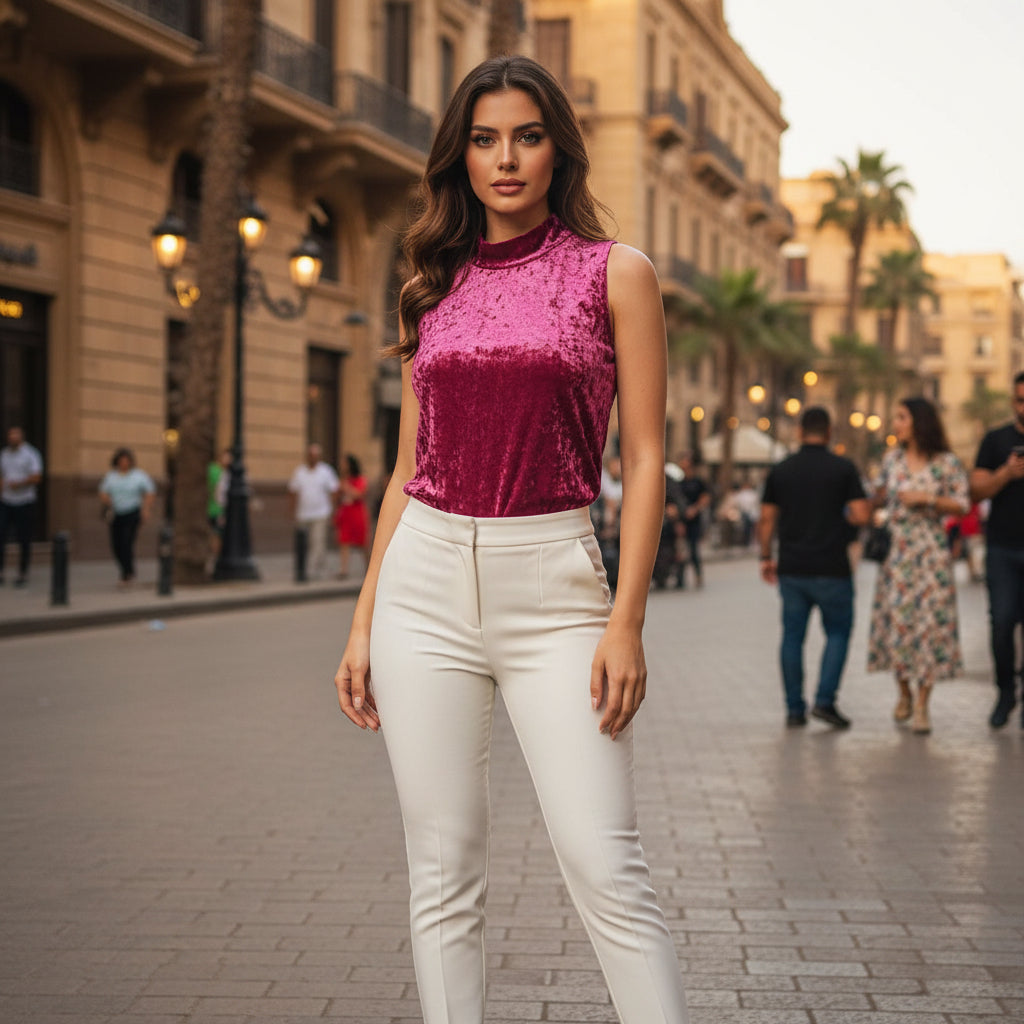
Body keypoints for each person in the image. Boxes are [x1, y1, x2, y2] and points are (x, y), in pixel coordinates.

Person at [332, 55, 689, 1024]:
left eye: (526, 135)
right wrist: (364, 621)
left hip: (555, 583)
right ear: (461, 154)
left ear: (555, 147)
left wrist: (627, 621)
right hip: (424, 583)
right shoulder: (431, 282)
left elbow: (648, 456)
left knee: (603, 859)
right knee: (441, 869)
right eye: (485, 138)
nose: (505, 158)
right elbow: (410, 467)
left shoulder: (614, 272)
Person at [757, 407, 871, 728]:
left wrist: (766, 556)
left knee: (793, 637)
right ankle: (824, 701)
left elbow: (767, 518)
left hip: (793, 568)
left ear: (799, 430)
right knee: (837, 633)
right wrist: (845, 516)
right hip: (833, 567)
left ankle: (794, 709)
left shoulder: (781, 470)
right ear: (830, 431)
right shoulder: (844, 468)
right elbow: (862, 515)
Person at [867, 397, 970, 734]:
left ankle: (924, 704)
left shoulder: (946, 463)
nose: (895, 423)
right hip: (897, 553)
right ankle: (904, 692)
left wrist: (927, 499)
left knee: (929, 628)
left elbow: (962, 504)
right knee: (899, 624)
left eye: (901, 417)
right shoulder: (891, 460)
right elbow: (878, 497)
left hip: (930, 553)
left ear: (919, 421)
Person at [969, 371, 1024, 728]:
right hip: (1003, 548)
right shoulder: (995, 440)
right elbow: (974, 492)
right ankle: (1005, 691)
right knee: (1002, 623)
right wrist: (1006, 474)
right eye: (1020, 399)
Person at [98, 447, 156, 586]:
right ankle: (127, 570)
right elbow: (103, 492)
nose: (124, 463)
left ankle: (127, 573)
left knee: (127, 542)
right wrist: (108, 501)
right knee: (116, 545)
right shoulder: (111, 476)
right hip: (117, 513)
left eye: (126, 461)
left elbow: (150, 492)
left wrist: (146, 509)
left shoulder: (138, 475)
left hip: (133, 512)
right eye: (121, 461)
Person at [0, 426, 43, 587]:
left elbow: (37, 477)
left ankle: (23, 572)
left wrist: (20, 483)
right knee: (1, 536)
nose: (12, 438)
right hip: (6, 501)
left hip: (25, 501)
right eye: (10, 435)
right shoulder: (4, 454)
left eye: (15, 435)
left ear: (21, 437)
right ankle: (1, 572)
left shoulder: (31, 454)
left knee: (24, 538)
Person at [288, 443, 339, 579]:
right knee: (303, 543)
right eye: (311, 455)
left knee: (318, 542)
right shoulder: (299, 472)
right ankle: (307, 568)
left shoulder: (326, 471)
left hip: (321, 513)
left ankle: (313, 570)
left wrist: (333, 509)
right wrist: (292, 511)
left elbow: (334, 490)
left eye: (316, 456)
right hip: (303, 513)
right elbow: (293, 492)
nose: (313, 458)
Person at [673, 451, 710, 588]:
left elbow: (705, 498)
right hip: (683, 519)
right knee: (681, 551)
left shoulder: (698, 482)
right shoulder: (679, 483)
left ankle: (698, 575)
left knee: (694, 549)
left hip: (694, 519)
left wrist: (695, 509)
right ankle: (680, 579)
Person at [333, 453, 369, 577]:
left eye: (345, 463)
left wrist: (346, 487)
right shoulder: (342, 479)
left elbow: (359, 494)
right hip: (345, 513)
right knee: (344, 541)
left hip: (357, 514)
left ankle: (369, 567)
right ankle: (343, 570)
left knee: (362, 543)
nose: (342, 465)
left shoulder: (359, 479)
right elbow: (337, 497)